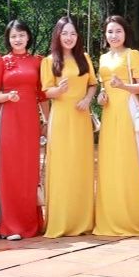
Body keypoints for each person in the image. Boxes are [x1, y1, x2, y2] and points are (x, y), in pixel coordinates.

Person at [93, 15, 139, 236]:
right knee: (110, 162)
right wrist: (101, 97)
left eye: (118, 31)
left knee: (130, 160)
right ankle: (112, 215)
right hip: (109, 112)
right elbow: (103, 88)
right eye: (110, 31)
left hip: (128, 110)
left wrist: (122, 86)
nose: (114, 36)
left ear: (125, 33)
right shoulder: (103, 58)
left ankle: (134, 215)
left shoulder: (133, 55)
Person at [40, 16, 97, 238]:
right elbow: (46, 92)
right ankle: (61, 220)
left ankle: (83, 220)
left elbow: (92, 84)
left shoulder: (84, 58)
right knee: (61, 167)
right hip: (61, 118)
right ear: (57, 35)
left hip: (81, 118)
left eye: (73, 33)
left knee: (81, 166)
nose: (69, 37)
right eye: (64, 33)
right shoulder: (49, 61)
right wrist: (58, 91)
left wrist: (87, 100)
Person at [0, 19, 46, 240]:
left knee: (29, 170)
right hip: (8, 122)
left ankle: (31, 223)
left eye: (21, 35)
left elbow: (42, 96)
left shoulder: (38, 62)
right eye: (13, 36)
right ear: (8, 39)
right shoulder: (1, 62)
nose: (18, 39)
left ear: (28, 37)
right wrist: (7, 97)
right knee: (9, 170)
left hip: (31, 121)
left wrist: (47, 122)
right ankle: (10, 226)